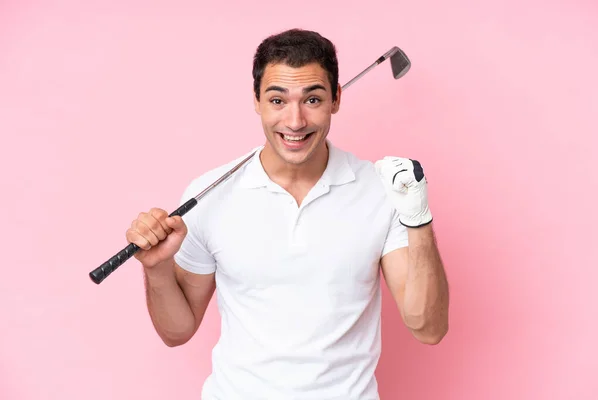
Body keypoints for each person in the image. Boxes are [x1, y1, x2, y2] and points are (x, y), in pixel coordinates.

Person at [126, 28, 449, 400]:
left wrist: (418, 218)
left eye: (312, 99)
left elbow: (429, 328)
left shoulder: (379, 190)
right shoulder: (210, 194)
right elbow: (176, 332)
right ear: (257, 101)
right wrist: (156, 268)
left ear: (336, 98)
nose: (295, 122)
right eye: (278, 101)